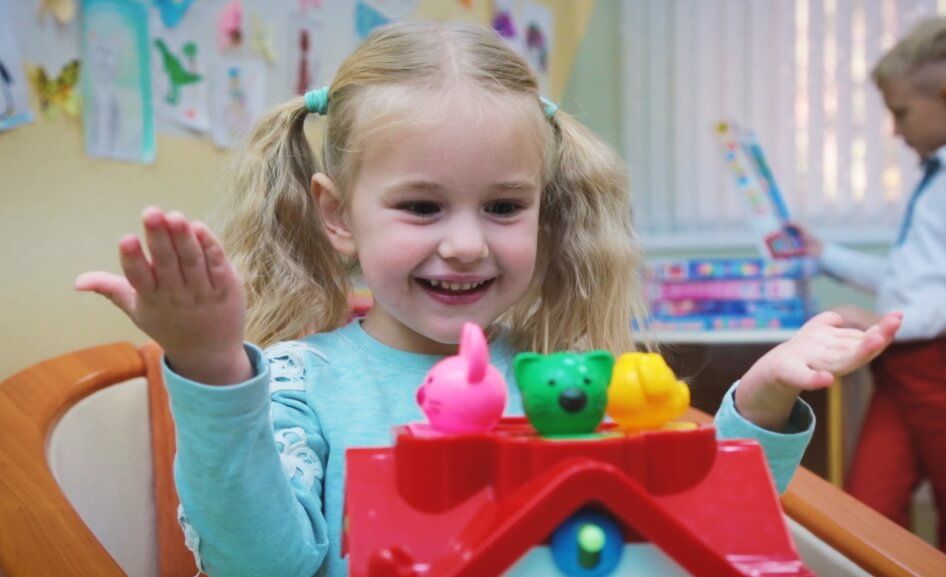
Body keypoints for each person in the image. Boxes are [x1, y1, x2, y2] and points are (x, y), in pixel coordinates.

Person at [75, 21, 901, 577]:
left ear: (545, 209)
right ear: (338, 215)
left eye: (504, 206)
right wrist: (212, 367)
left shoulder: (565, 381)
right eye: (422, 206)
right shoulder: (298, 382)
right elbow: (260, 565)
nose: (467, 242)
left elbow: (692, 524)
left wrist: (764, 395)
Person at [790, 17, 946, 551]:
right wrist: (824, 255)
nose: (896, 131)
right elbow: (911, 278)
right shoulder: (933, 181)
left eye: (901, 113)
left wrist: (883, 321)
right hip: (899, 372)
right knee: (869, 507)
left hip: (935, 367)